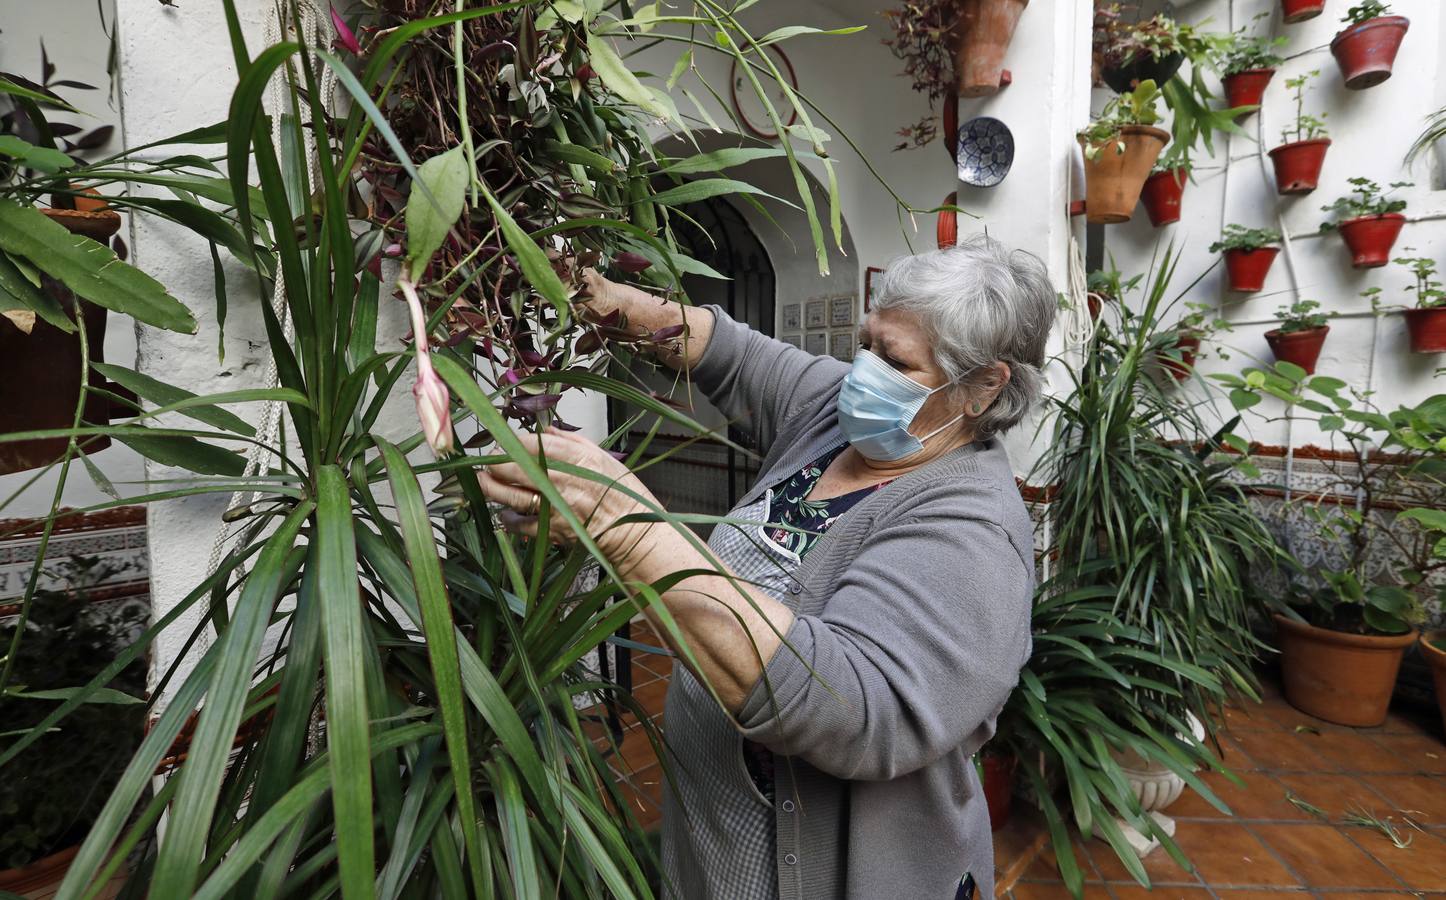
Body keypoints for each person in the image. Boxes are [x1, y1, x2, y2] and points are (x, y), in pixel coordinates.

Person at [478, 234, 1054, 900]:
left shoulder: (972, 530)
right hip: (707, 847)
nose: (863, 370)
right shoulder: (836, 418)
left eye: (894, 359)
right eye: (867, 343)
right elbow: (724, 351)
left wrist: (627, 528)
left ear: (981, 388)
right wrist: (601, 298)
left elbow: (852, 710)